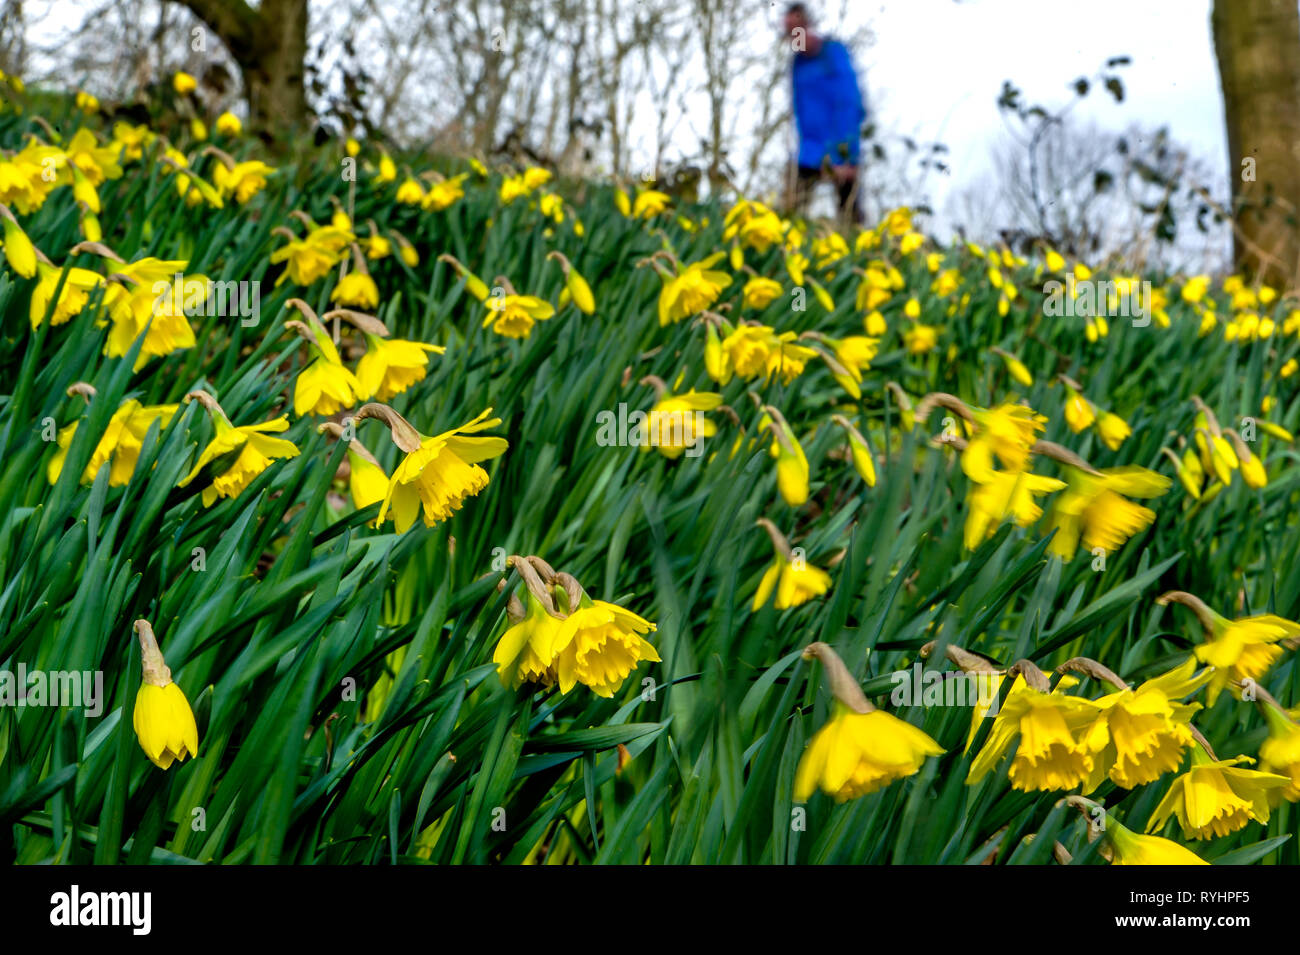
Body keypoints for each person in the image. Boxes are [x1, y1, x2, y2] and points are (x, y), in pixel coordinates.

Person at [783, 2, 867, 226]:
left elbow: (850, 104)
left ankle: (858, 252)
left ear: (807, 26)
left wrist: (846, 156)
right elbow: (801, 111)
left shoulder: (834, 54)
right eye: (789, 33)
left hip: (840, 150)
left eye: (797, 30)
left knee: (849, 213)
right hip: (809, 151)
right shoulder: (797, 65)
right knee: (792, 209)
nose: (793, 38)